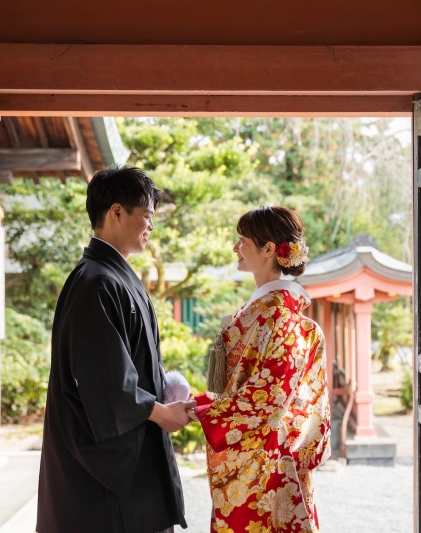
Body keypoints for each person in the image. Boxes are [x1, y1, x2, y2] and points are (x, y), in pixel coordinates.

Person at [36, 166, 196, 533]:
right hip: (104, 465)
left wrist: (167, 391)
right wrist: (160, 413)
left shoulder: (108, 275)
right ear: (117, 212)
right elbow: (106, 383)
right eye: (147, 216)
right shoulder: (96, 282)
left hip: (125, 449)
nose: (151, 226)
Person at [192, 205, 331, 533]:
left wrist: (204, 408)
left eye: (242, 240)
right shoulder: (264, 310)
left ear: (269, 249)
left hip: (266, 460)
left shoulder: (280, 316)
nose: (235, 248)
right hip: (255, 453)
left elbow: (268, 397)